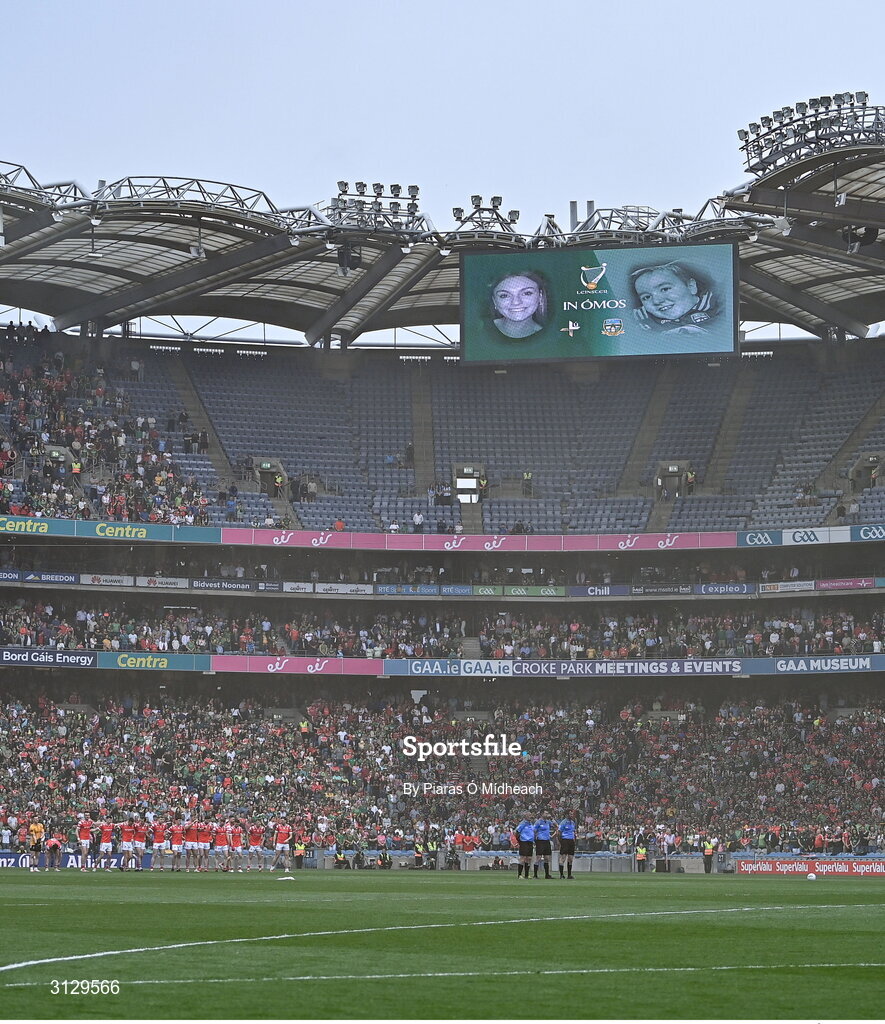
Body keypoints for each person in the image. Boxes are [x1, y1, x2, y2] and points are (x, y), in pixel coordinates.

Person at [630, 261, 719, 335]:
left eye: (665, 289)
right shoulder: (642, 319)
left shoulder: (719, 303)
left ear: (691, 286)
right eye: (646, 297)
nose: (657, 301)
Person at [489, 271, 549, 339]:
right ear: (494, 301)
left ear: (540, 297)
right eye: (504, 295)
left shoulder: (550, 337)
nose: (516, 302)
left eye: (527, 293)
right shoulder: (477, 330)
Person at [533, 812, 557, 879]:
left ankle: (547, 875)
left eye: (547, 813)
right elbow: (534, 831)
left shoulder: (548, 822)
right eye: (545, 813)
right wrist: (535, 840)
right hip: (540, 841)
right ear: (541, 814)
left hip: (547, 841)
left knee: (547, 858)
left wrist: (552, 818)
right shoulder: (538, 822)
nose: (547, 814)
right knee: (538, 858)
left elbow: (556, 826)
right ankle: (535, 875)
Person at [514, 815, 535, 880]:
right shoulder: (523, 824)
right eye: (529, 815)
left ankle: (527, 874)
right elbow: (517, 832)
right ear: (525, 817)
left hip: (530, 842)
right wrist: (519, 840)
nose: (530, 817)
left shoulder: (531, 824)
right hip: (524, 842)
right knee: (523, 858)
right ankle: (519, 874)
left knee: (529, 858)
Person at [558, 811, 577, 879]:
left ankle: (569, 875)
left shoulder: (572, 822)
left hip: (571, 841)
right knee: (563, 857)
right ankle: (561, 874)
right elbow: (559, 832)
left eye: (572, 814)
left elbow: (573, 832)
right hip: (565, 840)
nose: (572, 815)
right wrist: (560, 841)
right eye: (570, 814)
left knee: (570, 858)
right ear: (566, 815)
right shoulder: (563, 822)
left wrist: (574, 840)